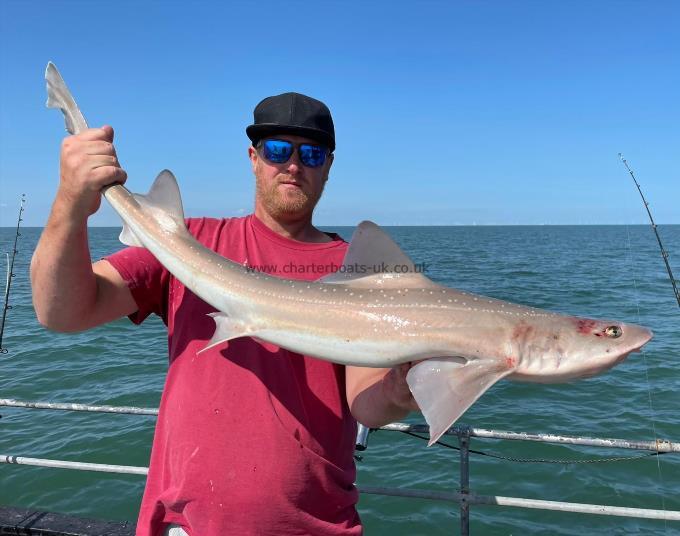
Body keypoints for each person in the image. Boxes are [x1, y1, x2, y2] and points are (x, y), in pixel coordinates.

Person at [31, 92, 419, 535]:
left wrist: (400, 388)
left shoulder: (359, 272)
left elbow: (366, 404)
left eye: (311, 153)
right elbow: (60, 311)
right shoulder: (187, 244)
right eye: (278, 150)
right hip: (186, 526)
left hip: (318, 526)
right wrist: (70, 202)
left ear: (328, 165)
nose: (294, 165)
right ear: (253, 158)